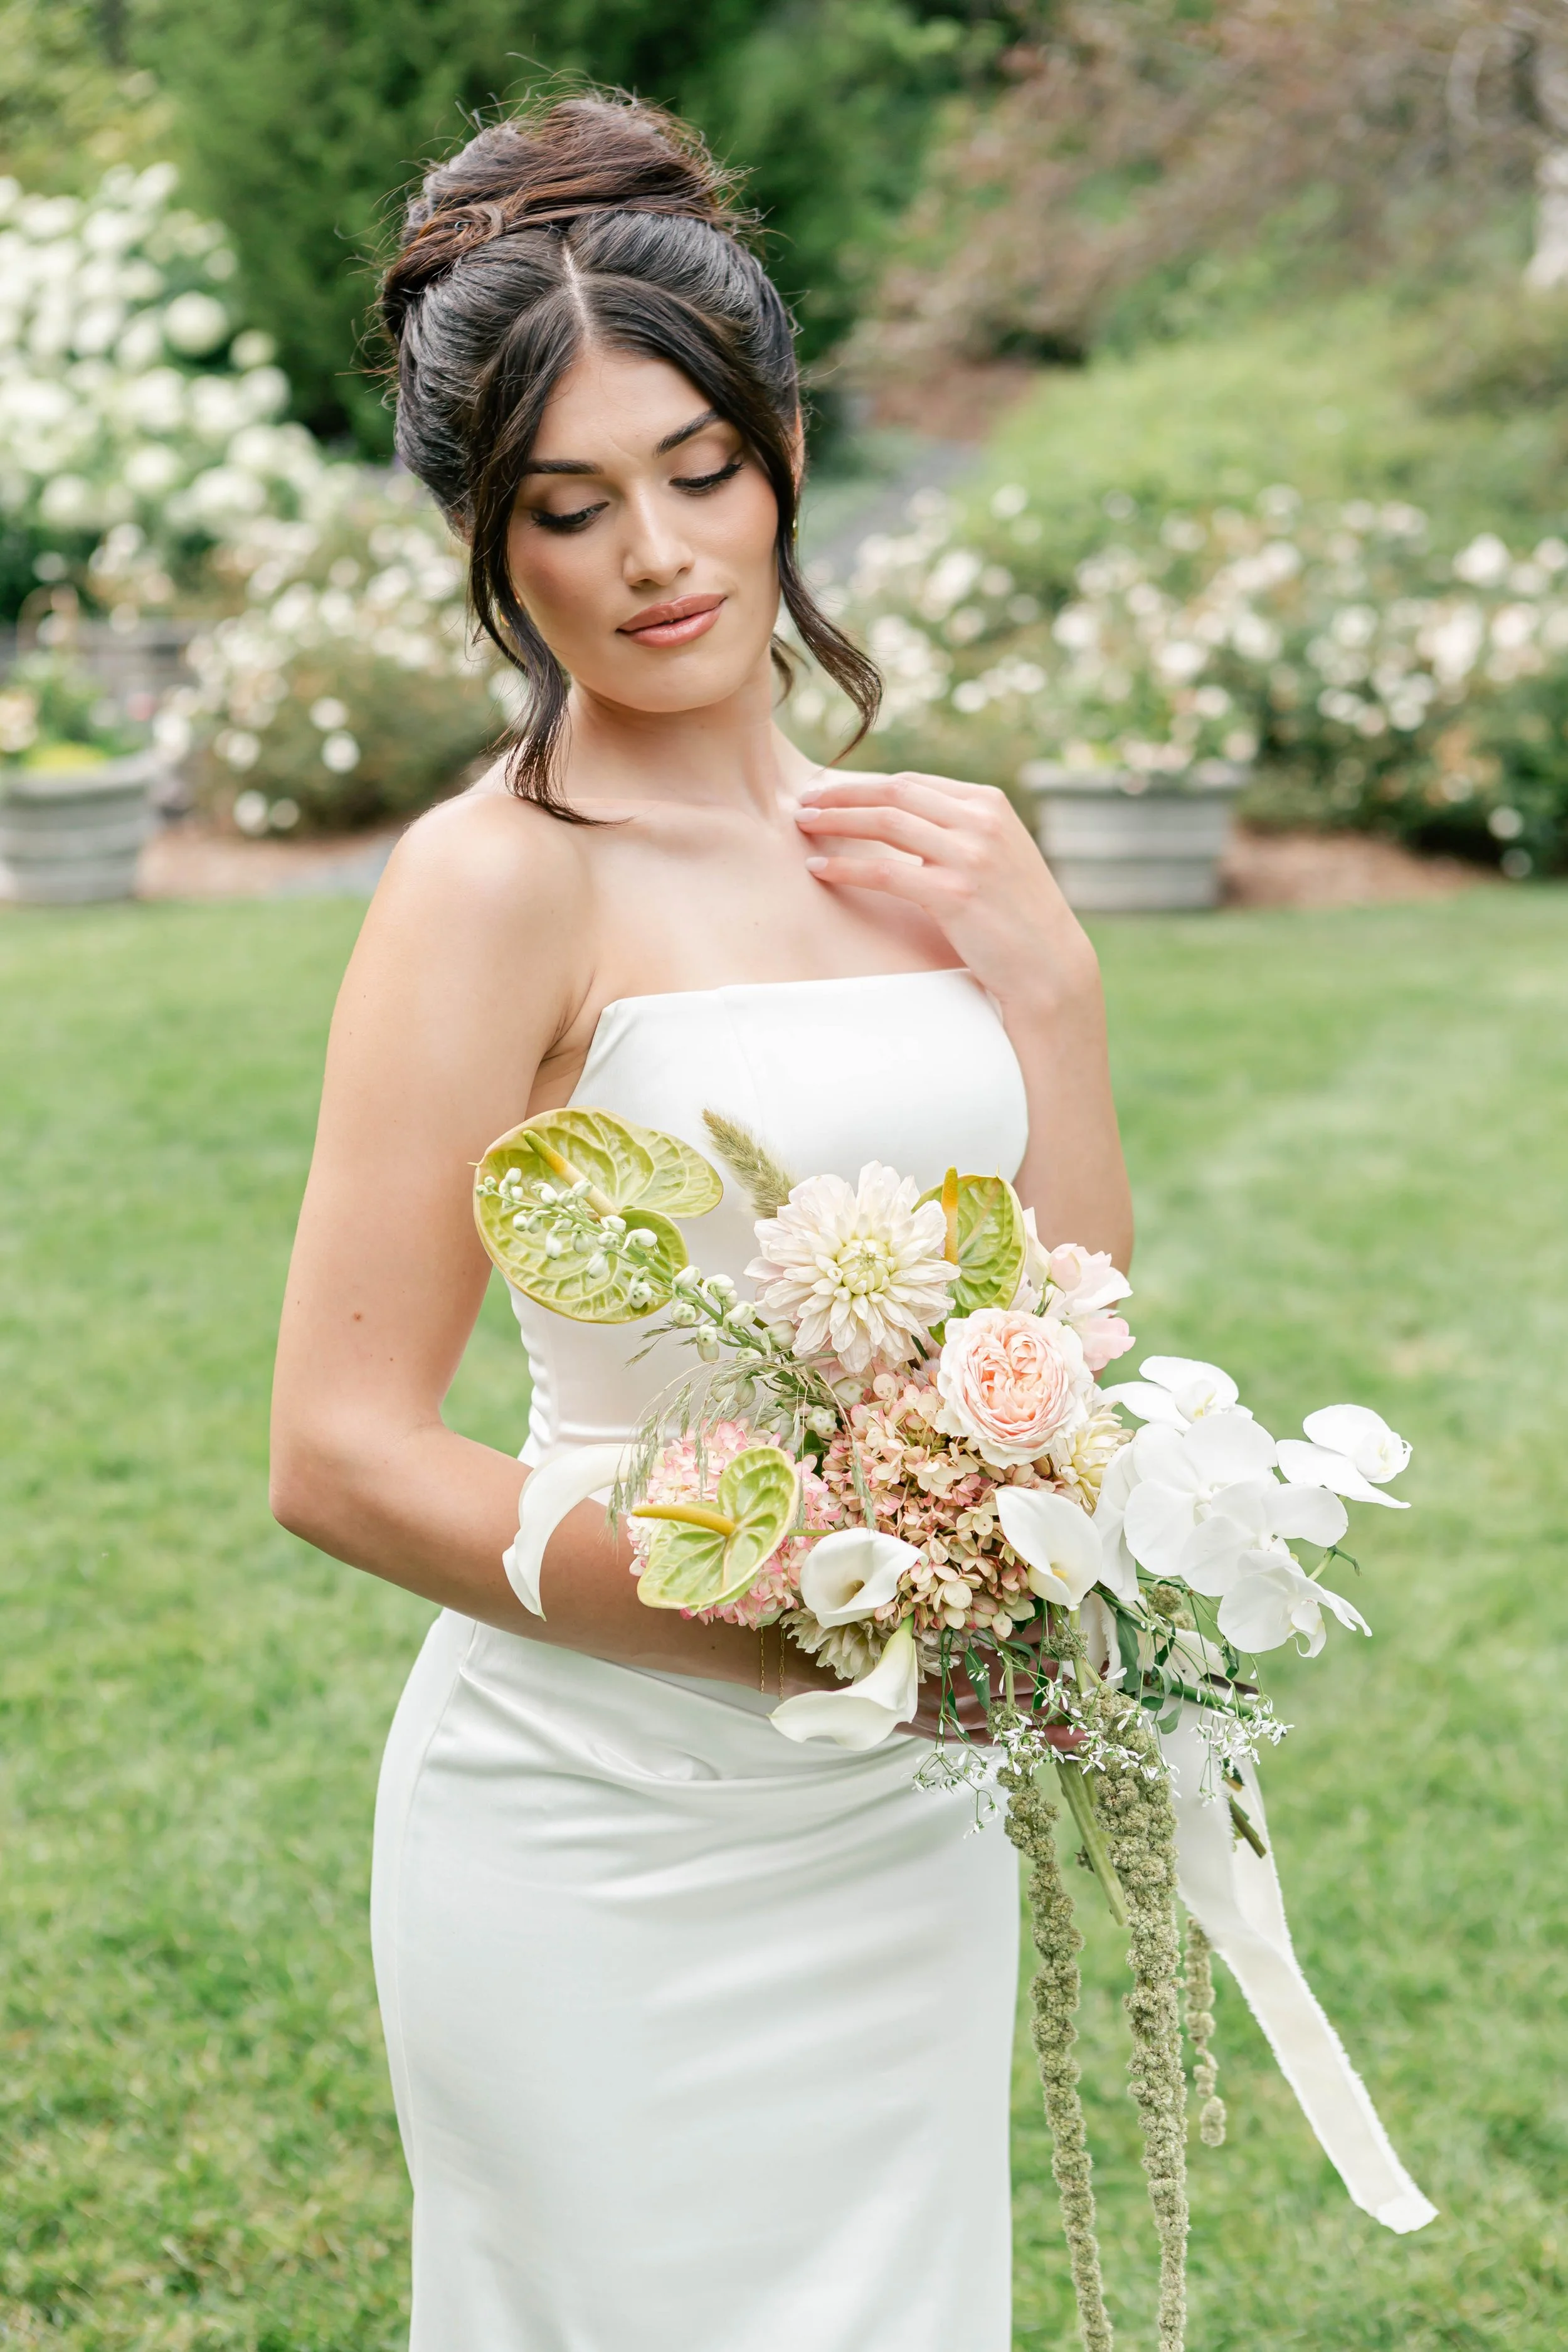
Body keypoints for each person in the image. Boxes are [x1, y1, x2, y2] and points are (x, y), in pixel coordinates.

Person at [269, 91, 1132, 2352]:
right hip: (598, 1834)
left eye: (698, 473)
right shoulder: (495, 879)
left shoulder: (924, 846)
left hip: (900, 1827)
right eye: (570, 505)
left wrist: (1053, 992)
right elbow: (340, 1446)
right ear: (491, 536)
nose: (654, 553)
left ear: (785, 449)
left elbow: (1074, 1328)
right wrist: (778, 1610)